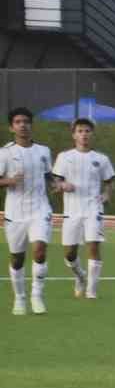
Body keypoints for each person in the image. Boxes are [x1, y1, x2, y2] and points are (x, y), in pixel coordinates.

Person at [51, 117, 115, 299]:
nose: (84, 134)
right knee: (69, 253)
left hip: (93, 208)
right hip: (71, 211)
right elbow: (55, 181)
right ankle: (80, 275)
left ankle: (92, 291)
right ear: (74, 135)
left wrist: (107, 195)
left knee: (94, 246)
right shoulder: (64, 157)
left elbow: (110, 181)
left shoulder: (101, 159)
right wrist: (62, 185)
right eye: (80, 131)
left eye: (87, 131)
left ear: (92, 134)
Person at [1, 107, 56, 315]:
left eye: (26, 121)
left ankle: (37, 296)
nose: (22, 125)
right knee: (17, 258)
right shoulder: (5, 153)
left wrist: (57, 184)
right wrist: (9, 180)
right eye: (18, 122)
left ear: (31, 125)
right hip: (15, 212)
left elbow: (48, 175)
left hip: (40, 209)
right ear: (11, 127)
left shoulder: (43, 151)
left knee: (40, 250)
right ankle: (20, 298)